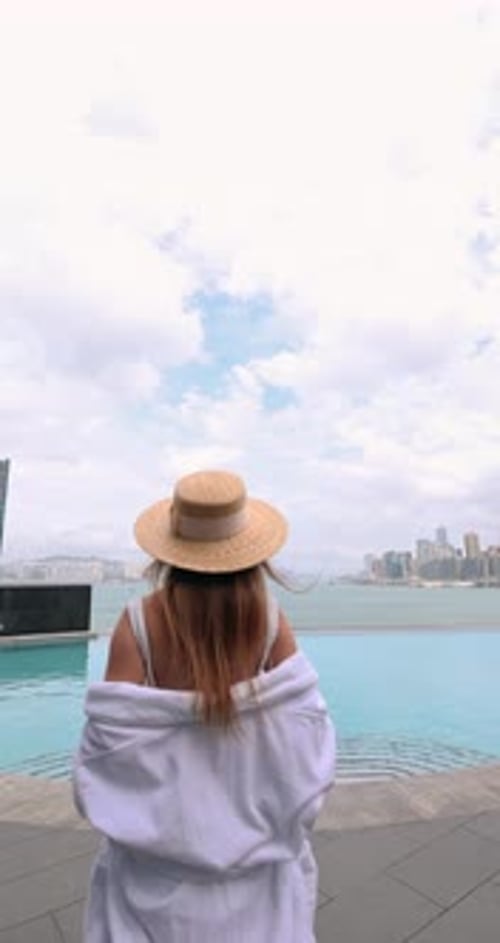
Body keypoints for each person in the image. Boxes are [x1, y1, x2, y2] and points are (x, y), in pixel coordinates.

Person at [73, 469, 336, 942]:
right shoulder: (273, 625)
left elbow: (105, 766)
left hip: (150, 890)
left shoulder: (137, 625)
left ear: (171, 544)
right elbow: (307, 758)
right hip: (258, 890)